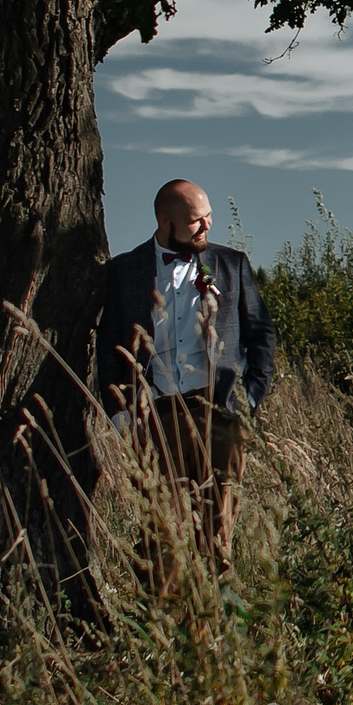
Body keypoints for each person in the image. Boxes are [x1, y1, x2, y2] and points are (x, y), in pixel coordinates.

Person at [96, 179, 277, 583]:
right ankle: (163, 616)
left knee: (216, 538)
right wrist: (122, 417)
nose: (206, 226)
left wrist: (248, 399)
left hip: (220, 415)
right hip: (155, 418)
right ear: (165, 221)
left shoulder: (231, 264)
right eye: (196, 220)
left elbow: (262, 334)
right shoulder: (125, 272)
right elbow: (108, 347)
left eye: (209, 217)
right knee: (161, 536)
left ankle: (211, 614)